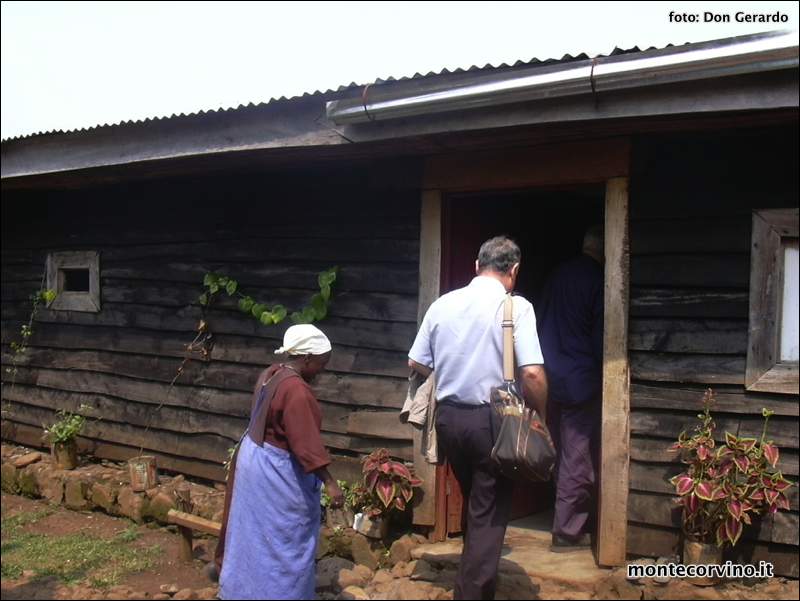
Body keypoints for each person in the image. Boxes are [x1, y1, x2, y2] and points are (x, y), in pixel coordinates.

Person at [408, 236, 548, 600]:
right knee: (489, 510)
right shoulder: (516, 307)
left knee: (476, 499)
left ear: (476, 265)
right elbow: (532, 373)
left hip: (449, 420)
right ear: (514, 270)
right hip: (493, 422)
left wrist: (452, 369)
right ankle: (472, 593)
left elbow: (416, 361)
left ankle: (473, 576)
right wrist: (541, 415)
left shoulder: (442, 304)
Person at [216, 324, 344, 600]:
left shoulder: (271, 374)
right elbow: (306, 444)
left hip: (254, 459)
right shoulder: (297, 391)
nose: (322, 370)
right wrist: (331, 484)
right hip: (275, 471)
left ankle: (244, 591)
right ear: (306, 358)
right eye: (322, 363)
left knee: (255, 536)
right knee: (286, 539)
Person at [537, 225, 604, 552]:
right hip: (581, 381)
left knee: (560, 451)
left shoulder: (557, 275)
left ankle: (562, 517)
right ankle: (566, 532)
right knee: (577, 458)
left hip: (550, 377)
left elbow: (541, 321)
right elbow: (602, 337)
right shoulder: (597, 280)